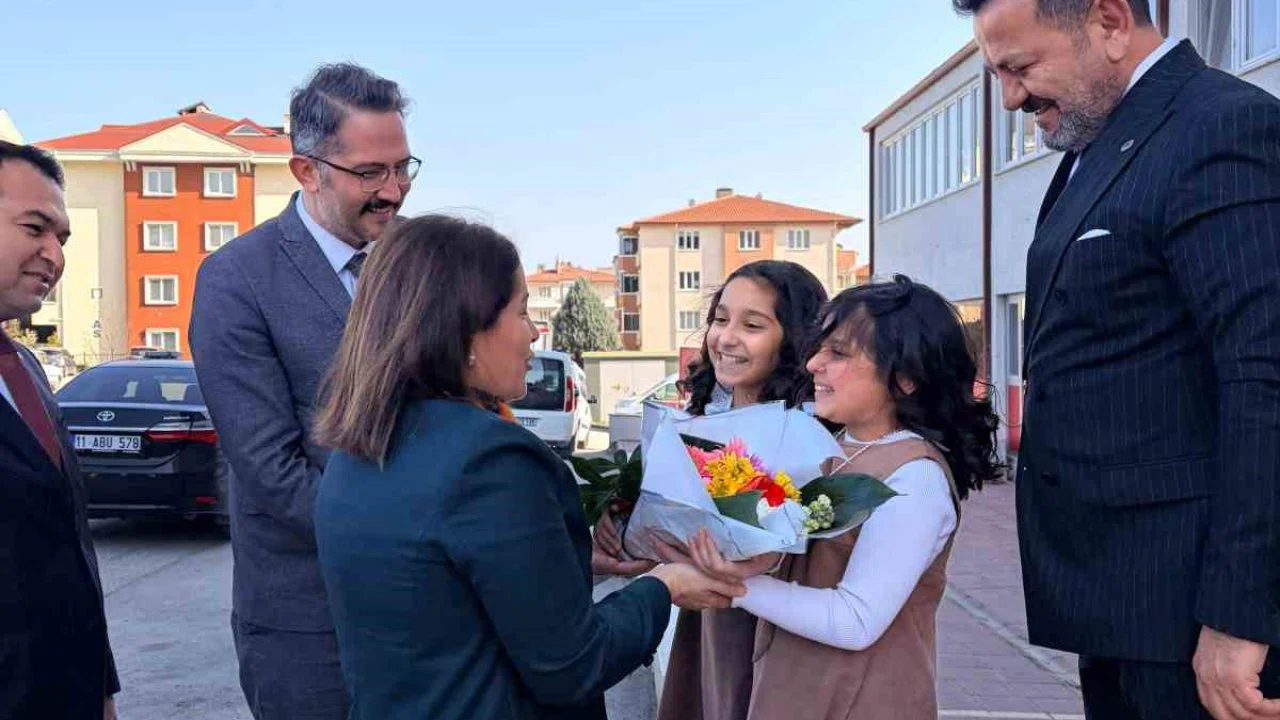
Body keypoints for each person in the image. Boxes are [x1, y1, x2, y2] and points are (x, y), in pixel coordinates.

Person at [956, 0, 1280, 717]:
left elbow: (1265, 380)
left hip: (1194, 617)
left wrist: (1243, 614)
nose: (1011, 97)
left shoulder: (1221, 127)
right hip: (1120, 603)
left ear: (1106, 21)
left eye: (1022, 67)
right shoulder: (1096, 148)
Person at [310, 214, 743, 720]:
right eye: (521, 312)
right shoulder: (490, 460)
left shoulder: (358, 448)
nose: (535, 333)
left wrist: (571, 563)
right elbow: (571, 664)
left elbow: (439, 595)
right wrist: (664, 587)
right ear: (467, 330)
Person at [188, 62, 417, 720]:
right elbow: (270, 471)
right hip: (310, 626)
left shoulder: (416, 265)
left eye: (404, 168)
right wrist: (414, 542)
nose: (394, 191)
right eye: (371, 173)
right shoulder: (238, 280)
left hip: (429, 617)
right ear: (306, 170)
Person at [676, 275, 1001, 719]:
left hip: (861, 701)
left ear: (904, 377)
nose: (813, 365)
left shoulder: (915, 478)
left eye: (839, 353)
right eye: (818, 348)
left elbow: (855, 619)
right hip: (795, 690)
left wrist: (733, 585)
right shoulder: (835, 447)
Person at [594, 260, 829, 720]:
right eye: (720, 319)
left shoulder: (812, 432)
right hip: (705, 622)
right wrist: (624, 522)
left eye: (753, 324)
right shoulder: (700, 414)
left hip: (777, 631)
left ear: (795, 337)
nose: (726, 337)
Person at [0, 141, 119, 719]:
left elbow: (69, 551)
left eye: (63, 238)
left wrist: (101, 687)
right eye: (35, 228)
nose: (54, 254)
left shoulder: (25, 369)